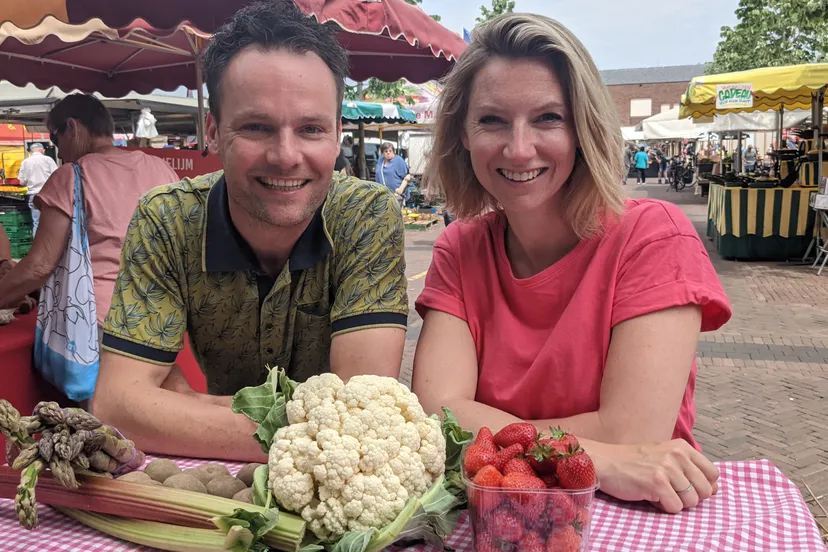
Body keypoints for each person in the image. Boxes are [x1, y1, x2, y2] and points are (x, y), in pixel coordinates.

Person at [412, 13, 732, 514]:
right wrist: (599, 456)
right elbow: (437, 413)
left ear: (583, 128)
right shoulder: (460, 248)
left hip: (632, 517)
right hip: (500, 518)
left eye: (548, 118)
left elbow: (631, 432)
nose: (519, 149)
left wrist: (487, 435)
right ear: (463, 135)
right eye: (492, 120)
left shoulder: (653, 237)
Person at [90, 0, 409, 463]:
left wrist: (190, 407)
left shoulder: (365, 215)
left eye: (311, 128)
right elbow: (116, 407)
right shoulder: (168, 221)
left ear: (337, 133)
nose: (286, 156)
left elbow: (363, 415)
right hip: (229, 482)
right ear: (214, 131)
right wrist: (314, 432)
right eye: (257, 127)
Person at [0, 94, 178, 324]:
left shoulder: (71, 176)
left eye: (55, 138)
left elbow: (40, 266)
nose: (59, 152)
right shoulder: (162, 169)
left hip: (99, 320)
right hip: (161, 315)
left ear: (72, 127)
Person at [17, 143, 57, 236]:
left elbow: (21, 182)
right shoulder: (48, 160)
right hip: (47, 194)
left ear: (31, 152)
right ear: (43, 150)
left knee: (37, 223)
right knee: (50, 221)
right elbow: (56, 175)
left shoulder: (25, 162)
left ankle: (37, 243)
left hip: (33, 195)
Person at [376, 142, 412, 207]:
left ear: (393, 151)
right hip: (384, 196)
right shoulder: (380, 160)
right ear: (382, 153)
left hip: (397, 196)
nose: (388, 153)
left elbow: (407, 176)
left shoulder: (398, 160)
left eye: (390, 151)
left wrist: (400, 189)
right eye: (386, 151)